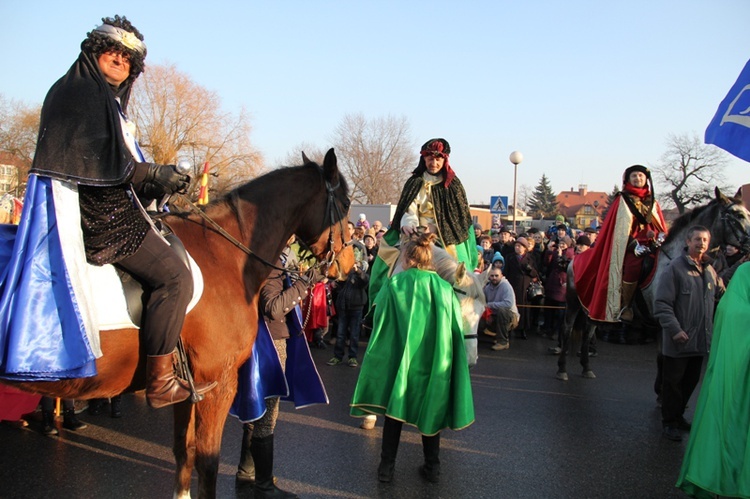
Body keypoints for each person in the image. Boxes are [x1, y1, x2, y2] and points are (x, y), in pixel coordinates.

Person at [4, 16, 216, 406]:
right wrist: (152, 172)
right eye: (112, 51)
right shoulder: (80, 95)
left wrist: (160, 180)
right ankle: (161, 381)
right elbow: (97, 164)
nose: (120, 60)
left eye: (128, 58)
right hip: (102, 218)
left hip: (115, 208)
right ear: (94, 53)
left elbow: (119, 169)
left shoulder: (109, 107)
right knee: (175, 279)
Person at [351, 233, 474, 484]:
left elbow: (379, 322)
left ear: (407, 258)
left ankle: (386, 468)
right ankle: (432, 468)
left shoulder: (395, 284)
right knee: (432, 412)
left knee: (394, 415)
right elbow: (454, 329)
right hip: (433, 363)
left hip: (400, 362)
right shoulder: (444, 289)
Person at [235, 247, 322, 498]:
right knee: (267, 417)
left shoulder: (266, 258)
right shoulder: (270, 263)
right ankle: (263, 486)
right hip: (270, 344)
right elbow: (273, 307)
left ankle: (246, 471)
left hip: (263, 341)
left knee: (257, 410)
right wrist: (305, 282)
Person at [368, 138, 477, 308]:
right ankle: (380, 306)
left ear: (444, 160)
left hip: (445, 236)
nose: (434, 163)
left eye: (438, 159)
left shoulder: (453, 185)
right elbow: (408, 209)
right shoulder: (414, 182)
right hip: (416, 234)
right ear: (424, 159)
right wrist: (408, 224)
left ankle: (464, 310)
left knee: (461, 269)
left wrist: (435, 227)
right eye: (430, 159)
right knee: (388, 267)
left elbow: (458, 218)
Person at [676, 262, 750, 497]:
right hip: (740, 364)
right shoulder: (745, 272)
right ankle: (625, 306)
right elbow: (733, 312)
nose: (702, 244)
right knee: (639, 262)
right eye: (698, 239)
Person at [653, 226, 723, 442]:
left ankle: (679, 416)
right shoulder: (674, 269)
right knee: (672, 385)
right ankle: (669, 423)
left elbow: (722, 291)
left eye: (705, 240)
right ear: (688, 241)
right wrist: (675, 330)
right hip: (679, 341)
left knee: (690, 383)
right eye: (697, 239)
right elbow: (662, 304)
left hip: (700, 342)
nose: (701, 243)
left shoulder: (709, 270)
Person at [574, 165, 668, 323]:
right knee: (632, 267)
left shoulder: (653, 202)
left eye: (640, 176)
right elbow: (619, 230)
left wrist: (661, 237)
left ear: (646, 179)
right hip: (631, 245)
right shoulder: (623, 200)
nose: (638, 179)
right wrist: (634, 245)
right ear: (628, 180)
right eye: (634, 176)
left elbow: (659, 225)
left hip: (652, 244)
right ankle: (627, 306)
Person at [327, 262, 369, 367]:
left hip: (356, 308)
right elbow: (338, 282)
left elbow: (365, 280)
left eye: (358, 265)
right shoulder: (346, 275)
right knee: (340, 334)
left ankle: (353, 357)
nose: (354, 266)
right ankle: (337, 356)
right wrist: (335, 283)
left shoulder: (363, 277)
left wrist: (358, 271)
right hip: (343, 308)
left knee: (354, 335)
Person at [503, 236, 540, 338]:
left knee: (525, 309)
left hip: (525, 286)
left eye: (519, 246)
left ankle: (523, 329)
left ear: (525, 248)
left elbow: (535, 274)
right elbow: (506, 272)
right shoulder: (510, 257)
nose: (517, 248)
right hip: (513, 285)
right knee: (512, 308)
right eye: (516, 246)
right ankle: (510, 328)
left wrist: (529, 269)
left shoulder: (530, 259)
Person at [482, 267, 520, 351]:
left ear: (501, 276)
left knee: (502, 311)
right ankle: (494, 335)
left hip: (510, 316)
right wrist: (487, 313)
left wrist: (489, 305)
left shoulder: (506, 286)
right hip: (494, 314)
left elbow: (508, 304)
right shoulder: (487, 288)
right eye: (492, 276)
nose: (494, 278)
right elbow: (483, 303)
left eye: (496, 275)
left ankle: (503, 342)